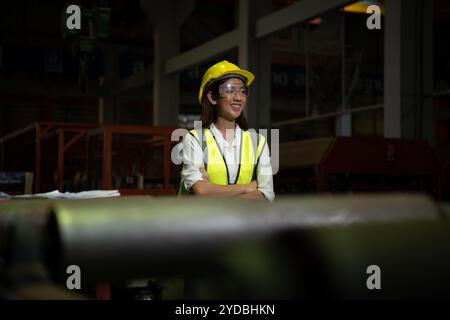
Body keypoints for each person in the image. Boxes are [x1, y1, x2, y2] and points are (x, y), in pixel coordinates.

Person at [177, 60, 274, 201]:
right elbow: (201, 190)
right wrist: (248, 187)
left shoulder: (258, 142)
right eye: (229, 90)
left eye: (242, 91)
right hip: (200, 222)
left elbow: (266, 195)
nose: (238, 98)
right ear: (212, 97)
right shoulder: (194, 139)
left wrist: (213, 191)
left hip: (241, 222)